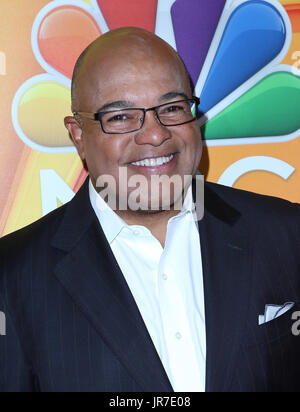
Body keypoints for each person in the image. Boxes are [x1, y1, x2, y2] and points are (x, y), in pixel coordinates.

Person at [1, 27, 300, 393]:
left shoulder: (287, 235)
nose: (155, 134)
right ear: (78, 134)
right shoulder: (13, 277)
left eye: (172, 108)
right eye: (122, 117)